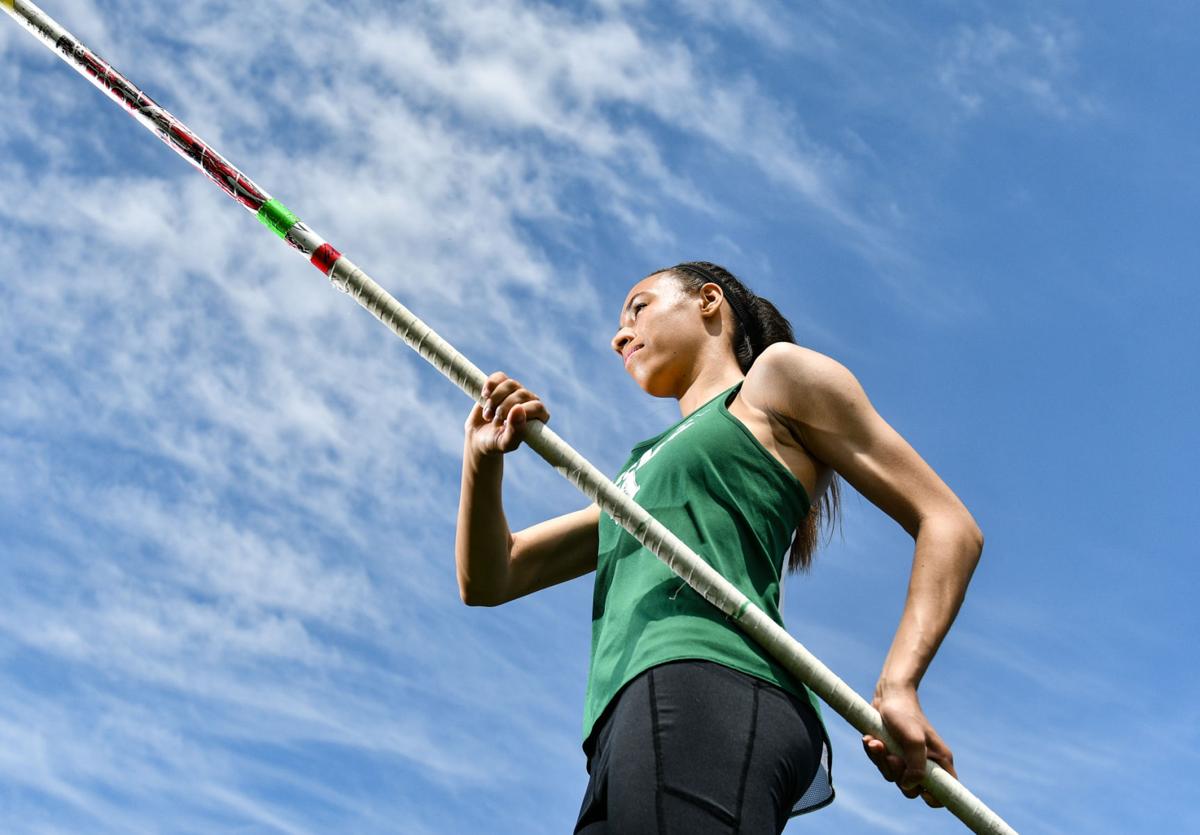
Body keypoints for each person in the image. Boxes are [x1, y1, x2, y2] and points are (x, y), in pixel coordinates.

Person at [455, 261, 983, 834]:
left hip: (708, 683)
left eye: (639, 307)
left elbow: (948, 522)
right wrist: (481, 458)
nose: (619, 336)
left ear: (709, 301)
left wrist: (898, 685)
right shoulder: (635, 474)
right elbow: (493, 577)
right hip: (617, 723)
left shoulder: (774, 380)